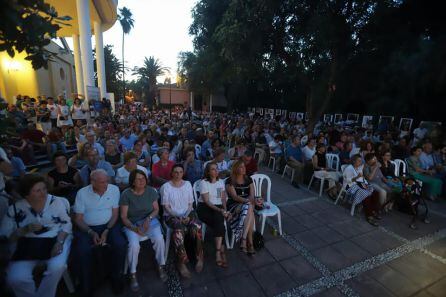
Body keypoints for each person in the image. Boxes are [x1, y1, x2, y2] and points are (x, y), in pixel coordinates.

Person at [0, 174, 71, 297]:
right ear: (27, 194)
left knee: (57, 266)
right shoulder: (16, 208)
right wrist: (23, 230)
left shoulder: (55, 201)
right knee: (16, 277)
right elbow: (4, 235)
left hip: (56, 238)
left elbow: (67, 224)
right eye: (38, 190)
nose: (43, 193)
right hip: (27, 245)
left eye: (44, 189)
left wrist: (59, 243)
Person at [72, 169, 126, 296]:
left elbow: (115, 214)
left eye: (106, 181)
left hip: (109, 225)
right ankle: (87, 283)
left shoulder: (114, 189)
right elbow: (78, 219)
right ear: (92, 182)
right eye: (102, 182)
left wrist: (107, 230)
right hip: (87, 227)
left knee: (120, 244)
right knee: (82, 251)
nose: (105, 184)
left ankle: (116, 277)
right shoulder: (82, 193)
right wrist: (91, 232)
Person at [120, 169, 167, 291]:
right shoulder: (126, 194)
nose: (142, 181)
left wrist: (148, 219)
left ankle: (160, 265)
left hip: (150, 221)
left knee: (159, 238)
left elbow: (156, 210)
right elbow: (124, 217)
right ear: (133, 182)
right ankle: (133, 273)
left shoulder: (151, 191)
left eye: (143, 178)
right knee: (134, 245)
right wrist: (135, 229)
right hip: (132, 223)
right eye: (138, 179)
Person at [160, 165, 203, 278]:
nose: (178, 174)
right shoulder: (166, 187)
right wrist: (178, 216)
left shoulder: (188, 184)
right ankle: (181, 262)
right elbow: (166, 207)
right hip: (171, 215)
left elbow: (190, 203)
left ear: (183, 173)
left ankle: (199, 256)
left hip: (187, 213)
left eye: (180, 172)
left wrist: (187, 215)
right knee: (179, 230)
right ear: (172, 173)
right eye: (175, 172)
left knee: (197, 226)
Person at [197, 162, 229, 268]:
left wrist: (224, 209)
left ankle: (218, 251)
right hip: (204, 208)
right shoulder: (204, 183)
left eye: (216, 169)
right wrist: (220, 211)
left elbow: (222, 198)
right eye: (213, 169)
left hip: (217, 207)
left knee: (219, 220)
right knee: (219, 221)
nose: (216, 171)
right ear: (208, 171)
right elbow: (207, 202)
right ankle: (221, 251)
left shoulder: (220, 182)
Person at [225, 160, 257, 254]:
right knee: (250, 209)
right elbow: (235, 197)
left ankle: (245, 240)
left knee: (249, 209)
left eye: (244, 166)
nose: (244, 169)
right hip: (234, 206)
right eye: (241, 167)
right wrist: (248, 201)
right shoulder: (230, 181)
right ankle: (249, 242)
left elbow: (252, 195)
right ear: (235, 169)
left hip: (247, 205)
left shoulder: (248, 179)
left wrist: (250, 201)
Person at [343, 154, 381, 226]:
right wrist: (357, 177)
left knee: (375, 192)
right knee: (366, 195)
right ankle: (369, 216)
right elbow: (348, 181)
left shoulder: (359, 168)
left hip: (359, 184)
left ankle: (373, 210)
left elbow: (362, 179)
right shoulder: (349, 168)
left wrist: (365, 184)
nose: (360, 162)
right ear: (354, 161)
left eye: (361, 161)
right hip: (350, 186)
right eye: (359, 161)